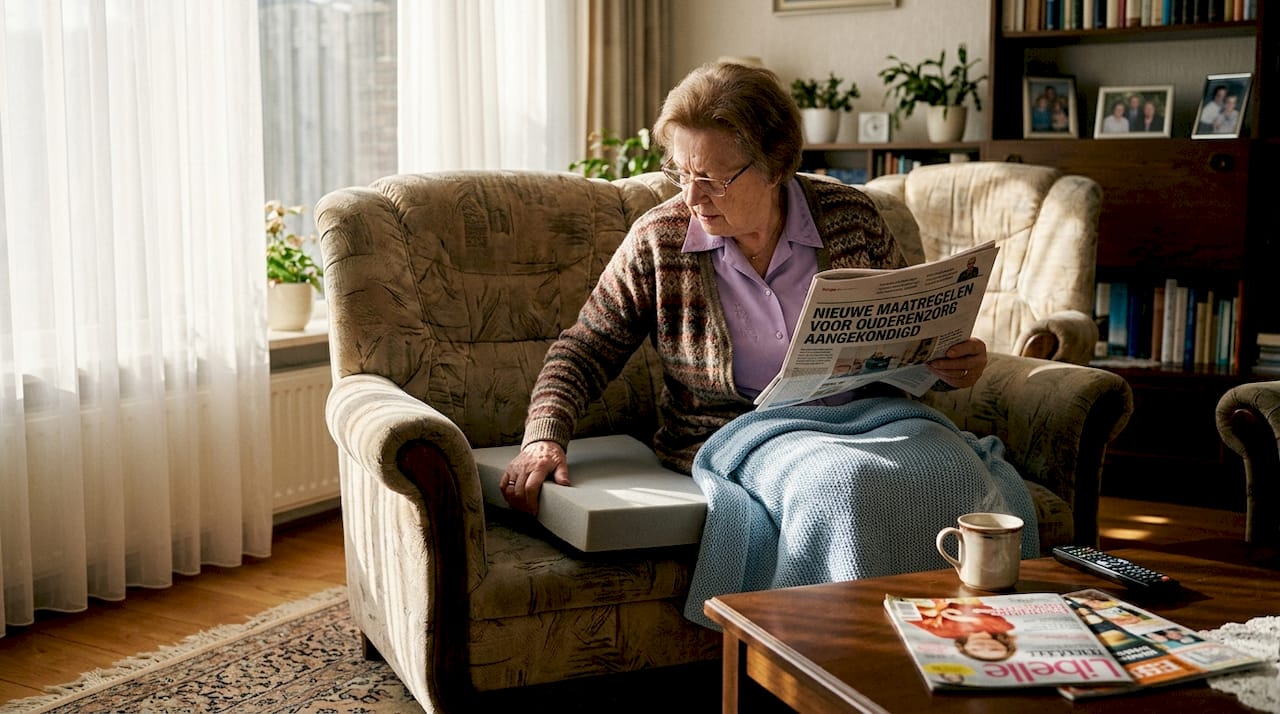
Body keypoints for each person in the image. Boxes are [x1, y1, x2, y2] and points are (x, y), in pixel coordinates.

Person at [501, 60, 1034, 627]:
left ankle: (967, 644)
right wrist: (544, 436)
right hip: (745, 432)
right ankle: (836, 652)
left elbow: (911, 333)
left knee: (956, 472)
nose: (692, 196)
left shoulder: (851, 217)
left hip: (876, 418)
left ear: (776, 166)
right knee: (842, 486)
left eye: (713, 179)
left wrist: (950, 360)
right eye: (680, 172)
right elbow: (584, 348)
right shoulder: (661, 239)